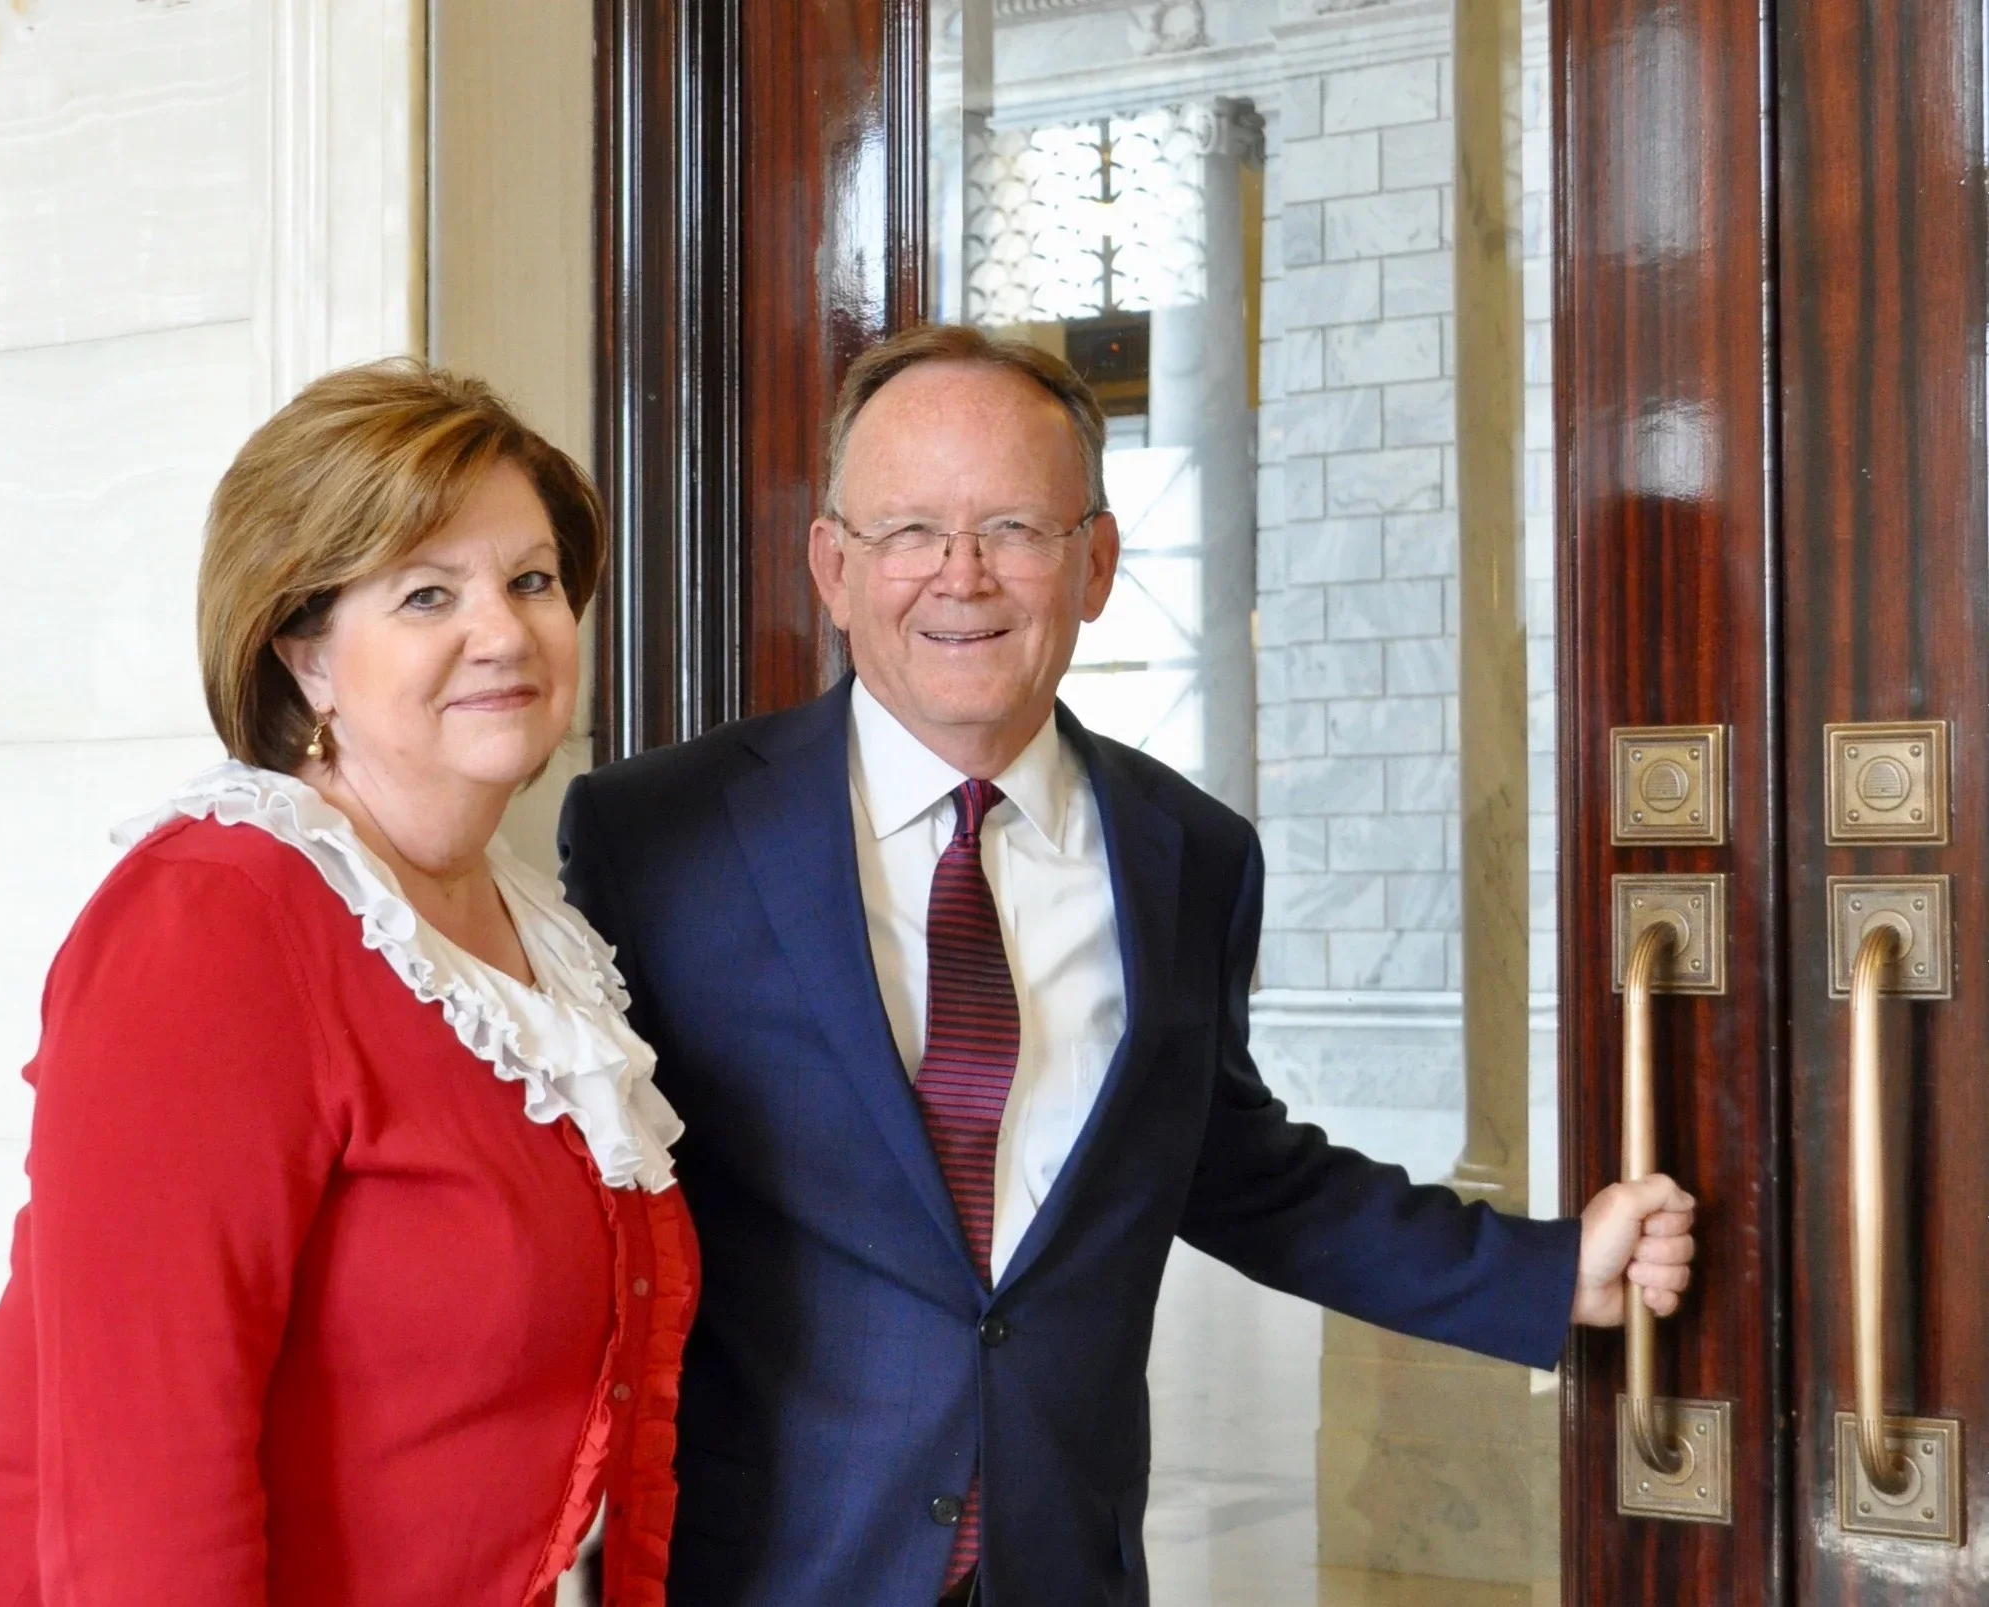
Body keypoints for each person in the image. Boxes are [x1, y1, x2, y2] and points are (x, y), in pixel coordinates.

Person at [559, 324, 1695, 1606]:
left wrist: (1546, 1270)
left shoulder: (1189, 855)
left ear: (1095, 561)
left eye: (1016, 530)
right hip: (765, 1566)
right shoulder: (658, 837)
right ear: (833, 565)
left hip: (1063, 1567)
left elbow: (1234, 1167)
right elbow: (571, 1213)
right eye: (909, 532)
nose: (962, 576)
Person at [0, 361, 696, 1607]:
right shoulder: (218, 914)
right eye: (429, 592)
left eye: (532, 580)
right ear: (304, 653)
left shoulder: (534, 938)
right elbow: (145, 1498)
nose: (505, 629)